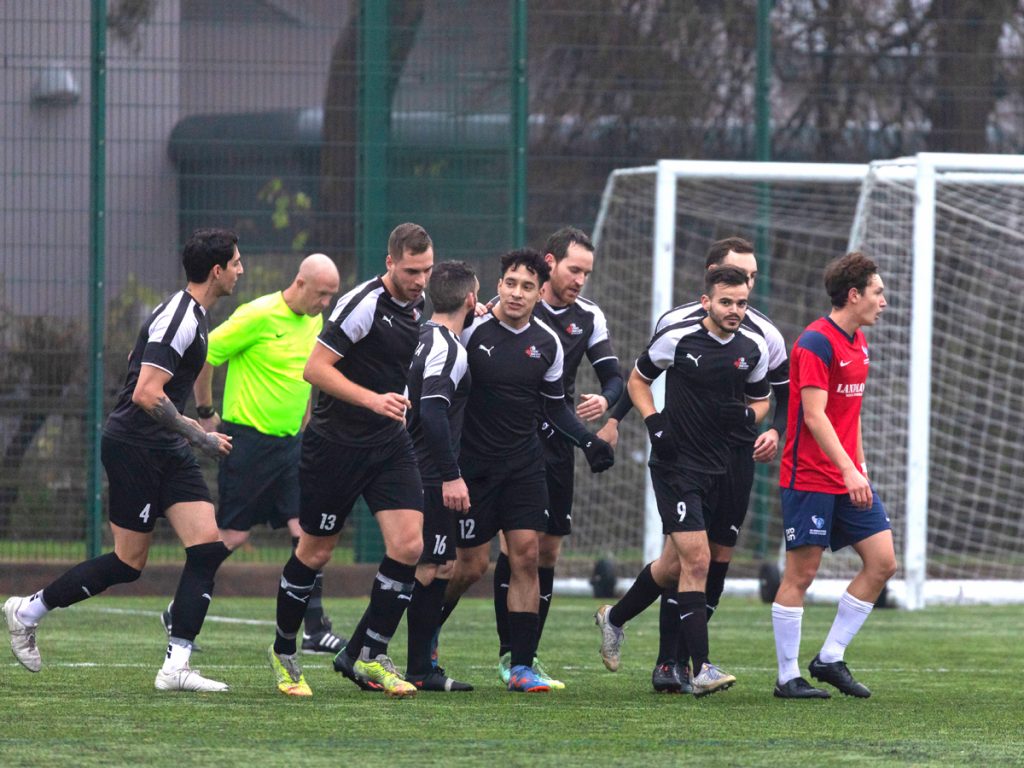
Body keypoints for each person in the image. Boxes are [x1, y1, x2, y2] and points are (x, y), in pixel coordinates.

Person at [3, 228, 243, 692]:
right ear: (216, 271)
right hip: (135, 446)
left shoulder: (191, 314)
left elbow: (140, 359)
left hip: (165, 447)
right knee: (128, 563)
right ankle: (28, 610)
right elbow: (146, 392)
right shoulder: (180, 318)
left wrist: (191, 428)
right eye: (235, 263)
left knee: (207, 548)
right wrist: (200, 435)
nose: (240, 270)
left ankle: (176, 666)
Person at [594, 237, 789, 693]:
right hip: (678, 463)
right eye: (728, 298)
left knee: (677, 565)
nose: (737, 305)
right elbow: (638, 379)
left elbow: (767, 397)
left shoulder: (758, 341)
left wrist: (758, 421)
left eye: (745, 295)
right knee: (696, 559)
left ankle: (615, 617)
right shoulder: (676, 332)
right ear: (708, 294)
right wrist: (649, 423)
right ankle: (692, 667)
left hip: (728, 463)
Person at [268, 222, 433, 699]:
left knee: (409, 545)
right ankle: (284, 651)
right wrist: (373, 400)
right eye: (411, 271)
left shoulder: (419, 303)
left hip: (388, 444)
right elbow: (314, 369)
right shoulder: (362, 304)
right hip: (335, 447)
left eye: (426, 270)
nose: (420, 280)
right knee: (315, 552)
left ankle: (371, 656)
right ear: (390, 262)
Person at [440, 248, 614, 693]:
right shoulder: (470, 329)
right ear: (498, 286)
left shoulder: (548, 342)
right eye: (511, 284)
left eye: (527, 287)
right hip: (474, 469)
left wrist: (588, 441)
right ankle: (426, 638)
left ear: (540, 294)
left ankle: (520, 666)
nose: (517, 293)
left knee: (527, 556)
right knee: (470, 565)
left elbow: (555, 407)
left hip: (524, 466)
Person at [160, 253, 343, 655]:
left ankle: (315, 629)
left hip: (290, 446)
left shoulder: (314, 321)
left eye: (332, 296)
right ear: (300, 283)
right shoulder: (257, 314)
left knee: (307, 532)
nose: (326, 303)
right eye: (322, 294)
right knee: (233, 535)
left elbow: (304, 374)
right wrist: (205, 412)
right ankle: (179, 611)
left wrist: (304, 418)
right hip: (248, 445)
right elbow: (207, 354)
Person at [490, 227, 624, 687]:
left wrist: (605, 402)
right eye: (574, 269)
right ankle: (509, 653)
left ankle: (526, 655)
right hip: (509, 440)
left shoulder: (588, 316)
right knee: (511, 548)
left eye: (587, 272)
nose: (581, 280)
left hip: (558, 440)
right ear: (550, 263)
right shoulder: (513, 305)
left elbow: (614, 377)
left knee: (546, 552)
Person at [771, 251, 894, 700]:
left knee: (882, 562)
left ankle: (829, 657)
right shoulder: (815, 343)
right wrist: (846, 470)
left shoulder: (860, 344)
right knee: (801, 575)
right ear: (854, 294)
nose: (884, 301)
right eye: (878, 292)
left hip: (847, 477)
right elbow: (815, 416)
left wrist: (860, 470)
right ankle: (787, 678)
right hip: (809, 477)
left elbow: (849, 416)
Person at [402, 260, 478, 692]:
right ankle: (395, 660)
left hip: (414, 463)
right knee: (429, 567)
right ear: (470, 298)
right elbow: (433, 411)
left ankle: (418, 665)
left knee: (441, 564)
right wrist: (451, 475)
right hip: (429, 470)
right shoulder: (450, 349)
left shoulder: (421, 334)